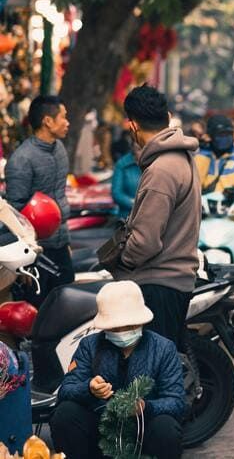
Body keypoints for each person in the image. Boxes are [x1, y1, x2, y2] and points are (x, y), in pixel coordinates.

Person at [50, 281, 184, 459]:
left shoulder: (163, 348)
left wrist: (146, 407)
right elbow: (66, 389)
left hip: (142, 428)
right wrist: (89, 388)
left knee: (166, 428)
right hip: (100, 425)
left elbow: (176, 401)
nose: (121, 332)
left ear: (140, 322)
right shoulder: (89, 345)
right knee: (65, 414)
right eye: (114, 328)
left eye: (128, 327)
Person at [110, 85, 201, 345]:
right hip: (174, 280)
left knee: (151, 376)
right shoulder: (180, 158)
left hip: (159, 283)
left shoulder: (161, 170)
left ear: (133, 125)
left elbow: (146, 241)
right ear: (168, 117)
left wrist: (123, 261)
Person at [5, 95, 73, 307]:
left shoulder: (60, 149)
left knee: (66, 307)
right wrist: (24, 259)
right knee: (40, 312)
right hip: (37, 253)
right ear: (47, 121)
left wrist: (66, 240)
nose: (67, 122)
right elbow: (13, 211)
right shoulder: (21, 160)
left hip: (61, 245)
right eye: (63, 117)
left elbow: (60, 196)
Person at [195, 115, 234, 196]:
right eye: (220, 134)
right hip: (204, 205)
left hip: (231, 206)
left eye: (229, 133)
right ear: (210, 136)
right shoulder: (201, 156)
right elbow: (195, 186)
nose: (225, 138)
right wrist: (203, 153)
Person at [111, 143, 142, 218]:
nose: (143, 152)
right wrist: (136, 204)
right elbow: (116, 193)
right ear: (132, 148)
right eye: (139, 149)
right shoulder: (122, 164)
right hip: (127, 216)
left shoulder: (155, 163)